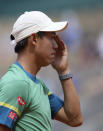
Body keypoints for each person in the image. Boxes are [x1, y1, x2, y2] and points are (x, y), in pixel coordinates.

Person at [0, 11, 83, 131]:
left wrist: (63, 70)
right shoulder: (16, 83)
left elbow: (75, 119)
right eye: (52, 37)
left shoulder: (37, 85)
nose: (56, 45)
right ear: (34, 39)